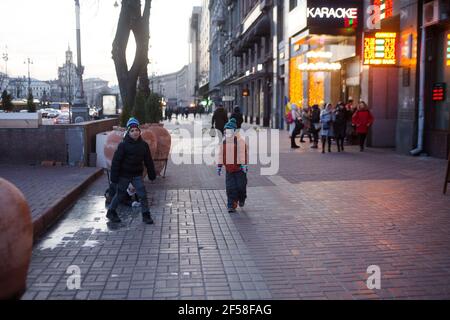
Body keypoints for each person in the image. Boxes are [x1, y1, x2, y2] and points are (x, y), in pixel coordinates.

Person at [106, 117, 157, 224]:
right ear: (128, 132)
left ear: (140, 131)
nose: (135, 132)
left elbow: (148, 160)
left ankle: (146, 215)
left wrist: (152, 173)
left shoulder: (144, 145)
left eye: (137, 130)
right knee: (119, 194)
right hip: (124, 175)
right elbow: (116, 161)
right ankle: (111, 212)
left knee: (142, 194)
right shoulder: (123, 145)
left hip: (137, 175)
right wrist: (114, 177)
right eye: (132, 130)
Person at [217, 118, 248, 213]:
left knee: (241, 187)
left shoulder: (240, 141)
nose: (227, 133)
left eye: (229, 131)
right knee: (230, 188)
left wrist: (243, 164)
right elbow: (221, 154)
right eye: (225, 131)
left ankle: (242, 198)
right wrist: (219, 166)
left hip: (239, 169)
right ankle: (231, 205)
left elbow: (242, 153)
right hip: (229, 170)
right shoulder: (224, 142)